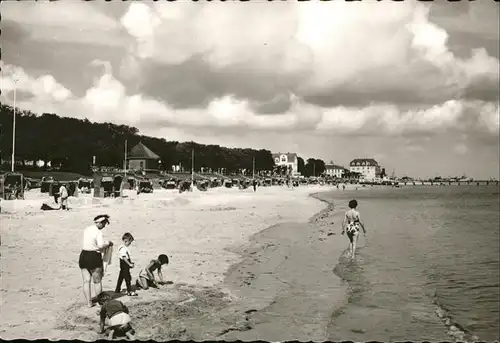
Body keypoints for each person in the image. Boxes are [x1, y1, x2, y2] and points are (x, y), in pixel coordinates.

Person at [79, 214, 113, 307]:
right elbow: (101, 245)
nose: (104, 226)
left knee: (86, 280)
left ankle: (89, 303)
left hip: (83, 255)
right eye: (104, 224)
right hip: (93, 256)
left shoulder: (87, 229)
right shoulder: (98, 232)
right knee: (97, 281)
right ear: (100, 223)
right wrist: (108, 243)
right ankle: (99, 302)